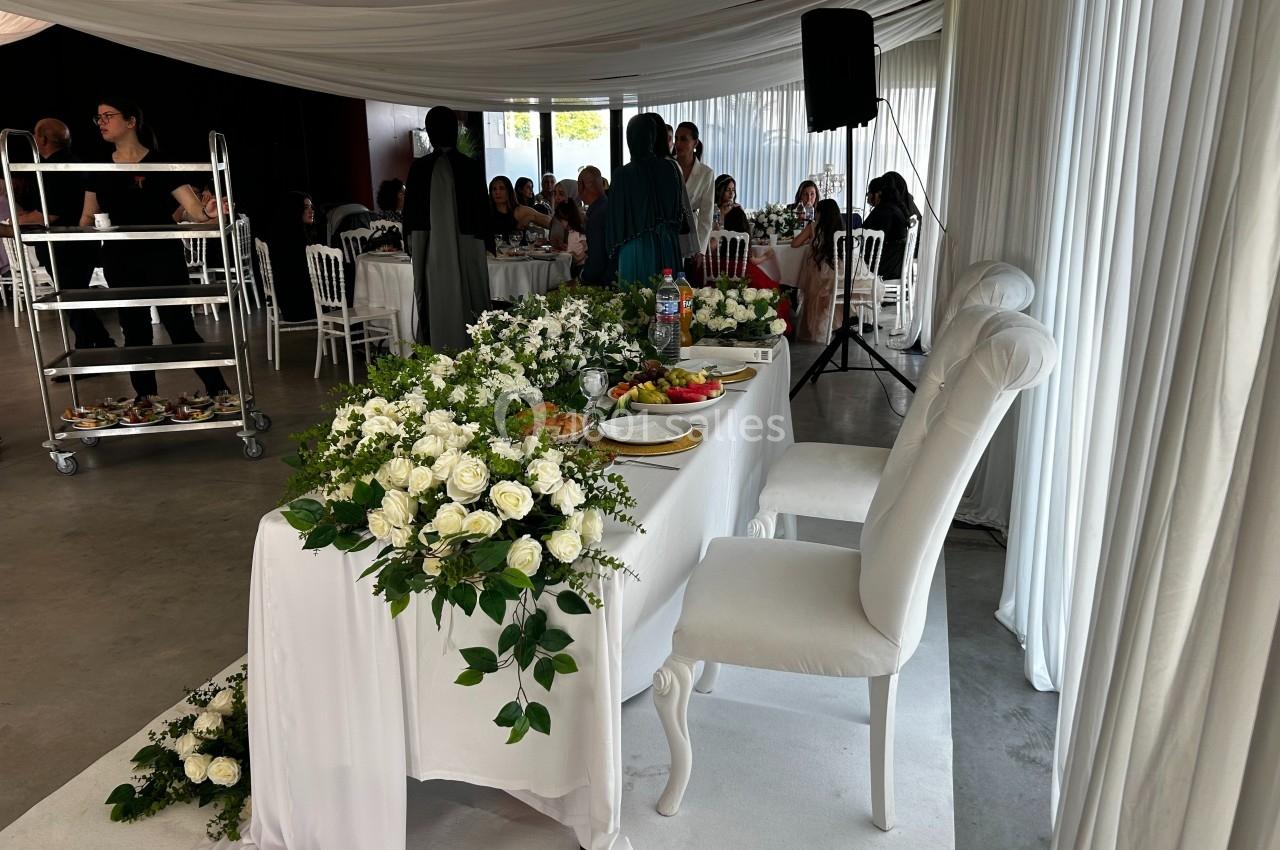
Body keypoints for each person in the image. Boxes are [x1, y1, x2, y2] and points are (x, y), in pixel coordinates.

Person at [79, 98, 230, 398]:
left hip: (163, 257)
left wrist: (209, 212)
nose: (102, 123)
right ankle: (145, 399)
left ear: (131, 121)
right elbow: (87, 216)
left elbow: (194, 211)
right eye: (98, 118)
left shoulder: (161, 161)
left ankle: (219, 391)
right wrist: (86, 232)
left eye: (108, 116)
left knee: (180, 326)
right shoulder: (98, 165)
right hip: (119, 259)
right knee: (134, 332)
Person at [0, 118, 114, 353]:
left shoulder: (54, 169)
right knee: (74, 299)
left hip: (64, 246)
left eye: (35, 134)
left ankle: (97, 346)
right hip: (78, 243)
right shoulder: (72, 163)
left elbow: (49, 214)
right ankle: (93, 345)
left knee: (71, 299)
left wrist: (18, 220)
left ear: (42, 139)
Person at [403, 106, 492, 349]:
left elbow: (411, 216)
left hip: (428, 241)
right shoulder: (470, 167)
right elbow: (483, 214)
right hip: (469, 240)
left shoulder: (420, 168)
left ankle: (437, 347)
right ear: (454, 130)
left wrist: (411, 244)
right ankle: (477, 346)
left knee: (432, 290)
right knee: (473, 289)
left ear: (430, 133)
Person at [606, 115, 684, 287]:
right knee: (668, 298)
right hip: (668, 245)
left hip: (635, 247)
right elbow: (678, 213)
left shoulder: (622, 174)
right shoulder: (670, 168)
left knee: (638, 298)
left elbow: (615, 222)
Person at [721, 206, 793, 333]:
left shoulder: (725, 236)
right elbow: (752, 260)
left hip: (725, 267)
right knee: (773, 289)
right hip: (742, 270)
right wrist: (766, 256)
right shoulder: (744, 237)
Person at [791, 198, 843, 343]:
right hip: (839, 271)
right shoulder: (841, 228)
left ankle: (819, 327)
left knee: (814, 295)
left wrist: (811, 241)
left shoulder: (813, 226)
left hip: (819, 270)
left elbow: (795, 243)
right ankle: (835, 323)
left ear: (820, 213)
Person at [266, 191, 319, 321]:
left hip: (293, 302)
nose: (311, 211)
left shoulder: (291, 232)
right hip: (298, 306)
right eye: (305, 208)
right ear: (295, 210)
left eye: (311, 207)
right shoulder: (292, 239)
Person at [674, 122, 714, 281]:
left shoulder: (705, 173)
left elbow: (706, 215)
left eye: (684, 139)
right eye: (676, 138)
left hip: (691, 231)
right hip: (669, 230)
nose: (678, 143)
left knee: (687, 281)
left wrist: (701, 249)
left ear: (695, 143)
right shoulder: (668, 166)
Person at [862, 175, 909, 281]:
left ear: (878, 194)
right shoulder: (894, 207)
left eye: (869, 193)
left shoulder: (884, 211)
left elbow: (872, 239)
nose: (868, 197)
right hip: (895, 264)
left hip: (886, 266)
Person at [577, 166, 615, 286]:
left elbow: (597, 261)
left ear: (582, 186)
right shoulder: (608, 205)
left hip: (604, 282)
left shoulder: (597, 215)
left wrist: (583, 276)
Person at [488, 175, 550, 243]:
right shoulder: (487, 212)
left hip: (518, 249)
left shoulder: (519, 211)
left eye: (502, 188)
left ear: (509, 191)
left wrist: (532, 217)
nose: (497, 192)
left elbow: (550, 222)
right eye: (494, 189)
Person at [554, 200, 587, 278]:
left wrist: (578, 257)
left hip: (580, 266)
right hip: (574, 265)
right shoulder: (571, 232)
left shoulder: (578, 231)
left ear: (567, 218)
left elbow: (586, 247)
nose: (560, 223)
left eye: (561, 220)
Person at [546, 178, 578, 248]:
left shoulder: (581, 219)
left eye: (561, 194)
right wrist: (546, 242)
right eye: (555, 193)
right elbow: (557, 242)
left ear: (571, 194)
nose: (556, 197)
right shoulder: (557, 217)